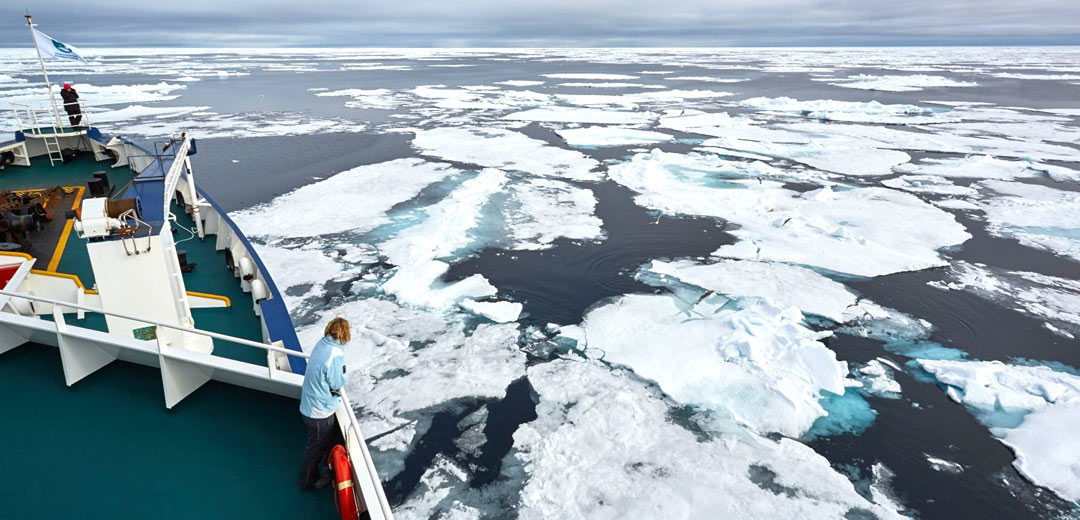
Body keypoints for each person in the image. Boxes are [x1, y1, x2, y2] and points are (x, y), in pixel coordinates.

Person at [298, 317, 350, 489]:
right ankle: (307, 481)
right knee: (314, 450)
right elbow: (337, 383)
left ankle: (323, 473)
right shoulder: (334, 355)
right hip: (319, 413)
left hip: (308, 404)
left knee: (318, 444)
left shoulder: (322, 345)